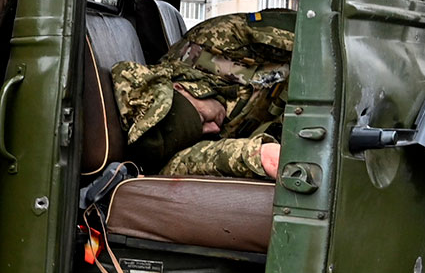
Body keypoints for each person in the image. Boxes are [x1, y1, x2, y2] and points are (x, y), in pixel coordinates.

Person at [111, 12, 294, 179]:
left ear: (181, 88)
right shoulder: (171, 147)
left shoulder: (214, 41)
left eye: (202, 118)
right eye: (202, 133)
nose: (214, 129)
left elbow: (313, 31)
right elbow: (206, 159)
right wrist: (259, 155)